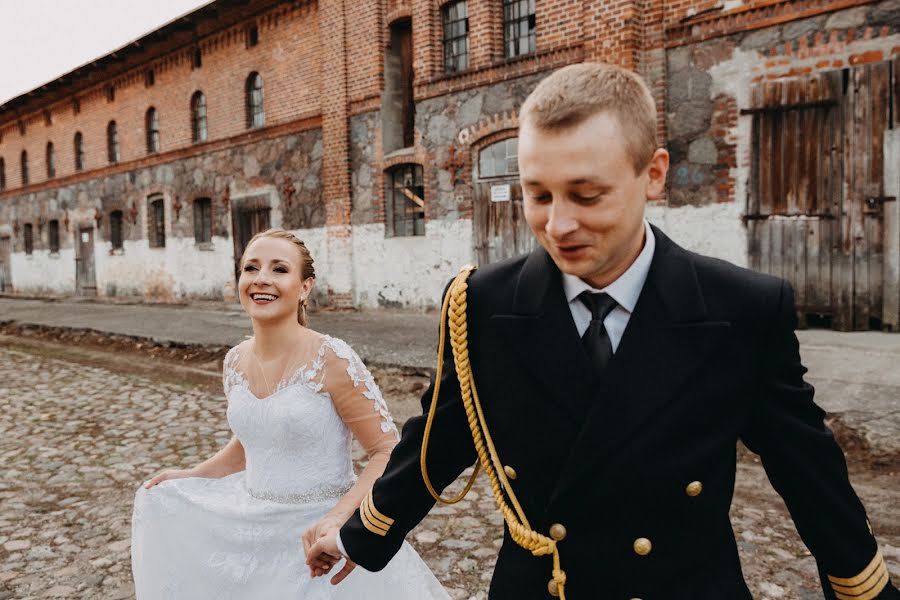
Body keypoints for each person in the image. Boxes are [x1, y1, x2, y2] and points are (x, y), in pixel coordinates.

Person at [307, 63, 899, 599]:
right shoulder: (482, 303)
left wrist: (862, 587)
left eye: (587, 195)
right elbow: (440, 440)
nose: (558, 224)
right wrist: (363, 534)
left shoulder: (742, 307)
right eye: (537, 195)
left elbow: (805, 465)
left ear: (654, 174)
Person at [130, 228, 449, 599]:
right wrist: (191, 475)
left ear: (304, 287)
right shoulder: (234, 361)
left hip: (319, 534)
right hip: (252, 527)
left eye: (279, 269)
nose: (261, 278)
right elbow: (252, 443)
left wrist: (341, 518)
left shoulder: (331, 358)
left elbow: (386, 450)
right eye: (251, 268)